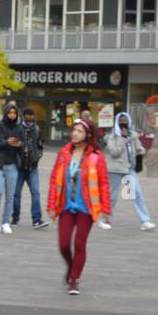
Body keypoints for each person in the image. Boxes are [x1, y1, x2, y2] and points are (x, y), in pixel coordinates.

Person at [46, 117, 111, 295]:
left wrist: (106, 208)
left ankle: (74, 279)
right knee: (64, 245)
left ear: (88, 135)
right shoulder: (63, 153)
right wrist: (51, 205)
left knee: (79, 243)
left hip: (86, 208)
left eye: (79, 131)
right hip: (66, 207)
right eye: (74, 130)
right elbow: (54, 181)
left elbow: (104, 183)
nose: (74, 133)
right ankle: (71, 266)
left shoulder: (96, 157)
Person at [102, 111, 155, 231]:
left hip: (129, 169)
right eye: (120, 122)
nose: (123, 125)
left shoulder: (133, 136)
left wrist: (141, 150)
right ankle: (104, 219)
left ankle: (145, 221)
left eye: (125, 122)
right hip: (115, 169)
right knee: (112, 196)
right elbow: (115, 153)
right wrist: (123, 138)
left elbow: (138, 147)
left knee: (136, 194)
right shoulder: (112, 136)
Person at [0, 101, 24, 233]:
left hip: (12, 165)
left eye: (14, 113)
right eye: (10, 112)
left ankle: (6, 221)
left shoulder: (19, 128)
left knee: (10, 196)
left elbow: (22, 148)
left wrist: (19, 145)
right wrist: (6, 143)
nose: (12, 115)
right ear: (6, 112)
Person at [11, 106, 47, 229]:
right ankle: (15, 218)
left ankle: (37, 220)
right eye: (28, 118)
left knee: (36, 193)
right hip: (19, 166)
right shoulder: (17, 129)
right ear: (24, 117)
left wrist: (37, 156)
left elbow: (40, 145)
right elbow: (13, 145)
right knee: (16, 194)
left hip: (32, 166)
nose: (29, 120)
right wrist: (19, 150)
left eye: (31, 118)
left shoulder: (37, 129)